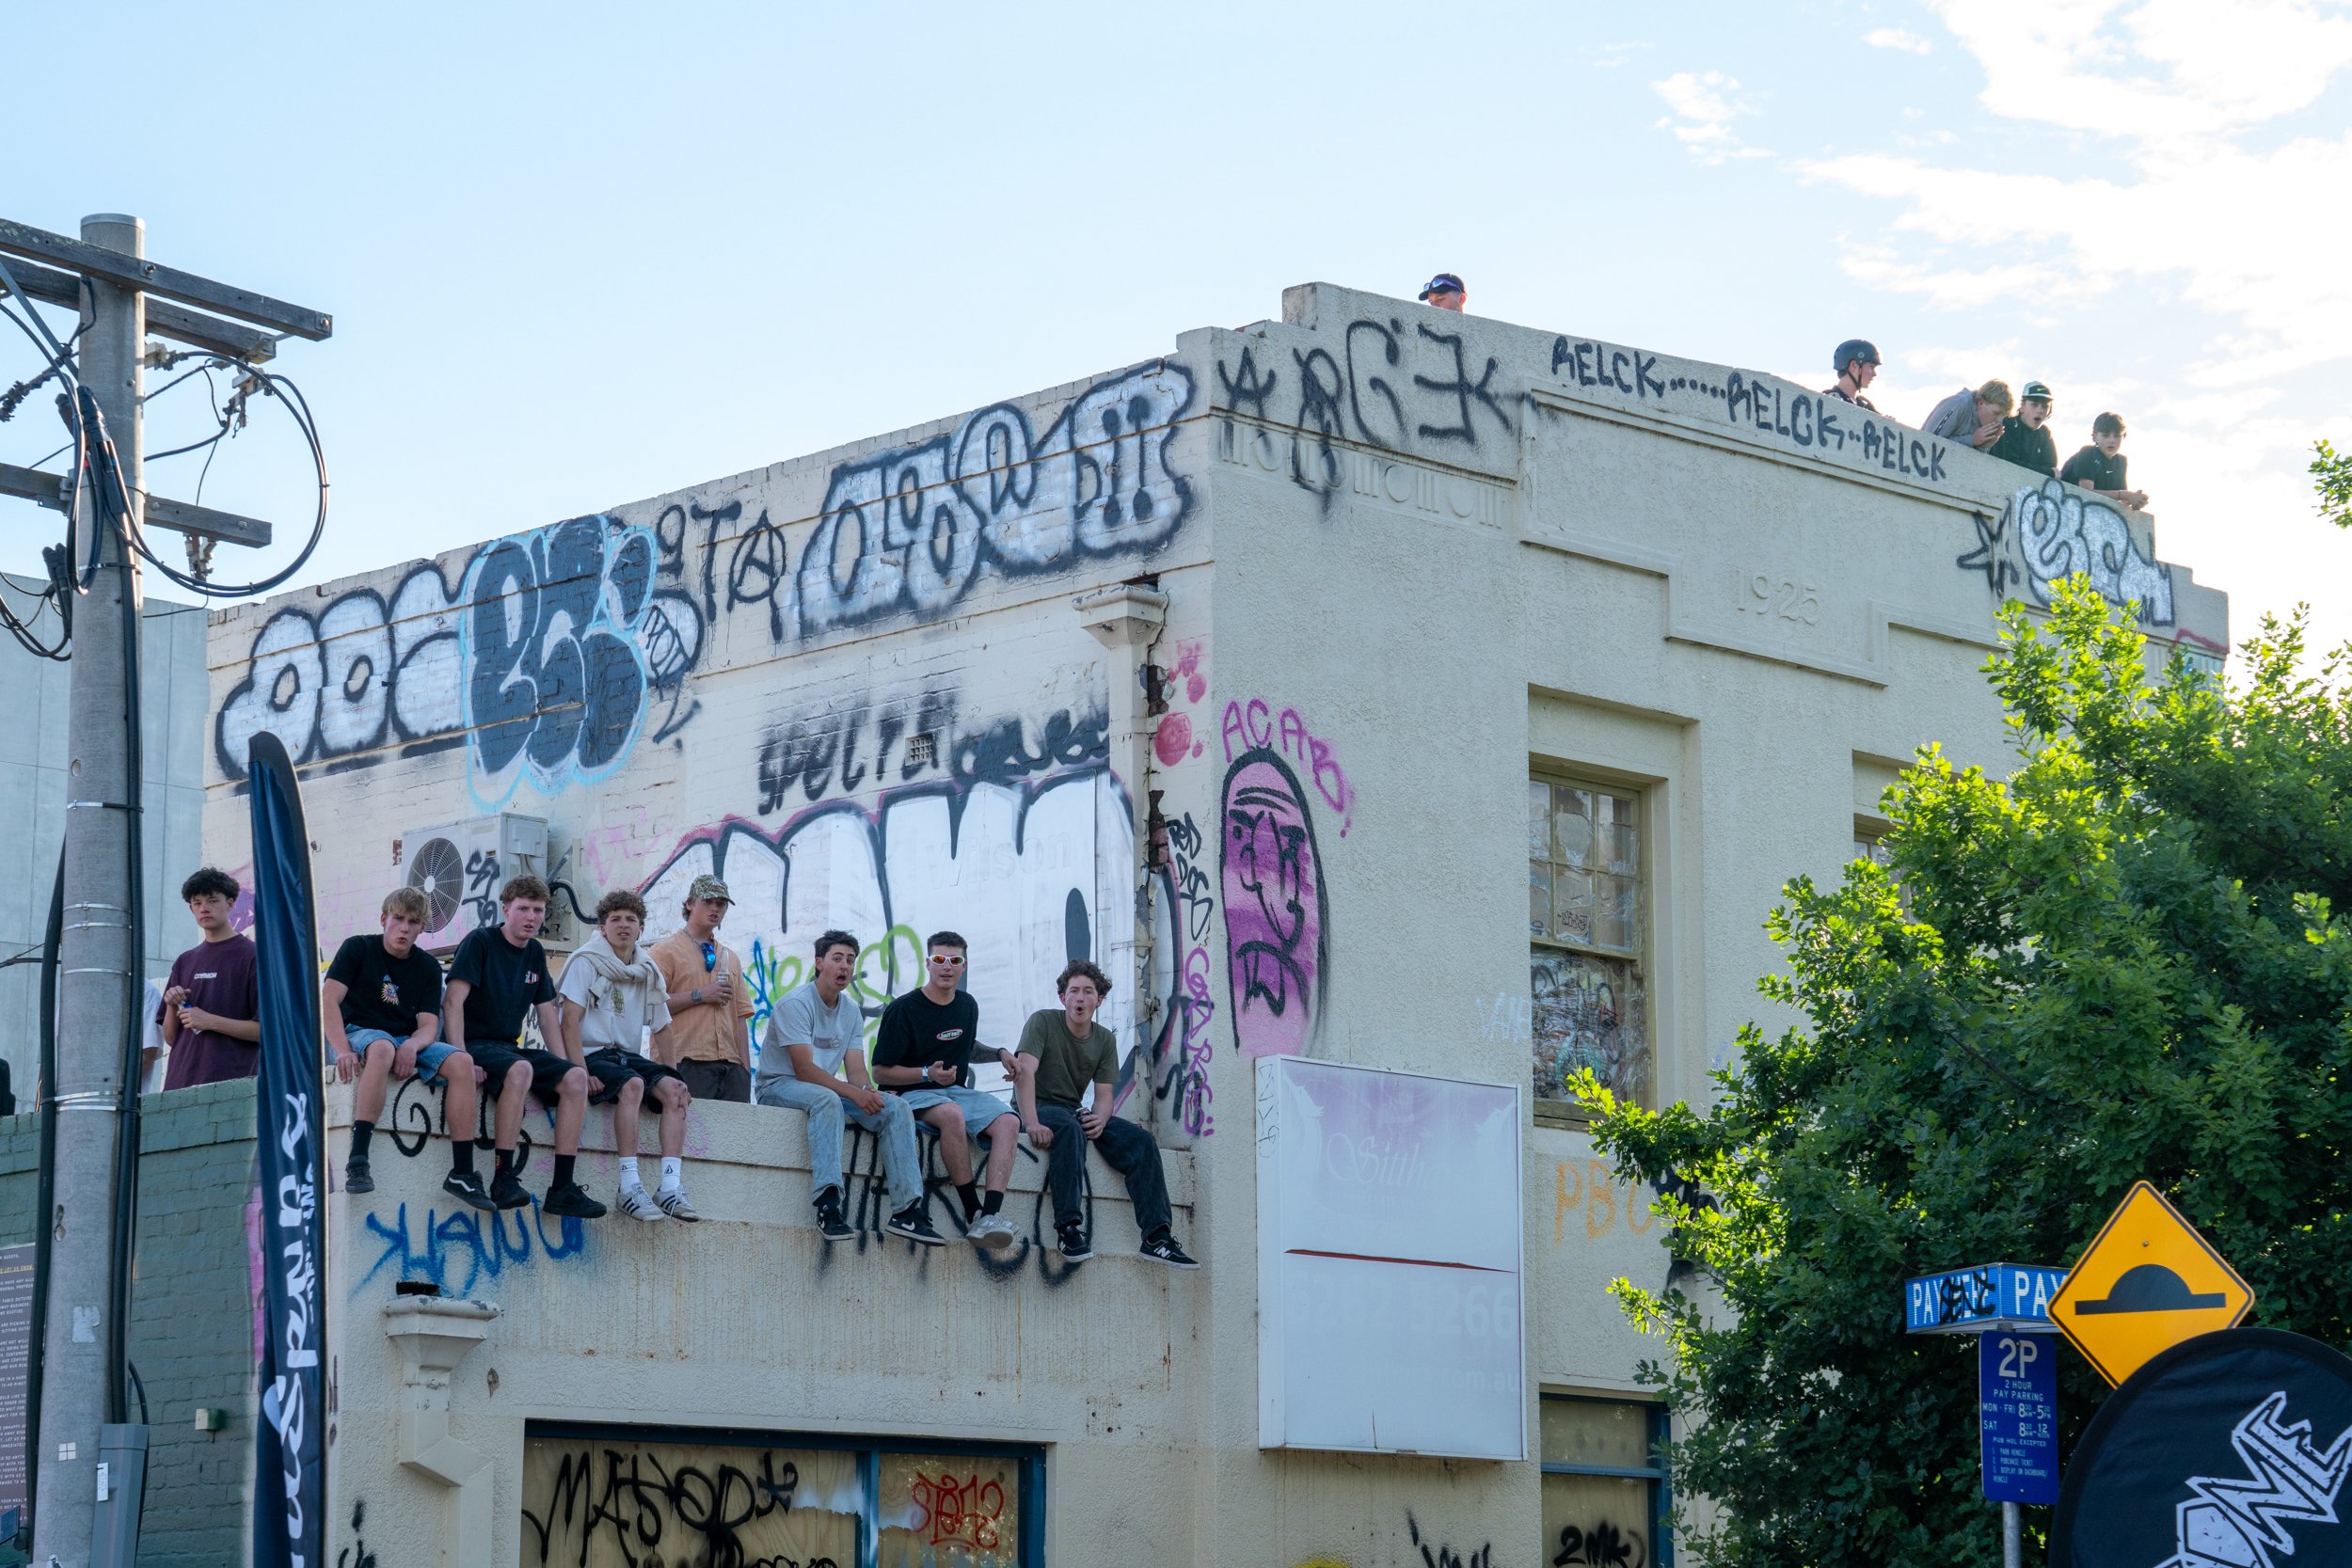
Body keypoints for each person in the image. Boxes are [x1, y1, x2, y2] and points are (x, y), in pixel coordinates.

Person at [755, 929, 940, 1245]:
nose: (845, 966)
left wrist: (867, 1091)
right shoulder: (796, 1004)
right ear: (819, 963)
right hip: (778, 1086)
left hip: (823, 1089)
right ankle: (828, 1205)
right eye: (837, 959)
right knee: (827, 1100)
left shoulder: (851, 1010)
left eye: (851, 961)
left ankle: (907, 1211)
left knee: (896, 1107)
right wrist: (854, 1093)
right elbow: (804, 1070)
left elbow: (856, 1070)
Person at [1014, 959, 1197, 1268]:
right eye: (1074, 991)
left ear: (1099, 999)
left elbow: (1104, 1097)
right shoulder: (1042, 1022)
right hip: (1036, 1105)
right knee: (1070, 1130)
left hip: (1071, 1109)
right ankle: (1068, 1229)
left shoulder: (1104, 1039)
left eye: (1088, 991)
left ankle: (1157, 1238)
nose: (1080, 998)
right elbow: (1024, 1073)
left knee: (1141, 1141)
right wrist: (1031, 1122)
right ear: (1063, 997)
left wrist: (1099, 1119)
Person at [442, 875, 605, 1218]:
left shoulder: (534, 952)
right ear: (506, 910)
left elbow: (547, 1015)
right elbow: (452, 1003)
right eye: (523, 909)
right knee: (520, 1069)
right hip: (474, 1043)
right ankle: (503, 1178)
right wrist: (460, 1056)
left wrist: (565, 1067)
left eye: (538, 910)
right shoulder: (480, 942)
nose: (531, 917)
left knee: (575, 1078)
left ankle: (562, 1188)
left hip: (507, 1047)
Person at [324, 887, 492, 1209]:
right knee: (382, 1048)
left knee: (462, 1062)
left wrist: (413, 1045)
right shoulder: (358, 948)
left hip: (403, 1038)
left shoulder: (427, 966)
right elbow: (329, 1000)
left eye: (413, 922)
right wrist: (342, 1049)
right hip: (357, 1034)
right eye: (398, 919)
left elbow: (428, 1025)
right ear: (383, 919)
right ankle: (357, 1160)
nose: (404, 928)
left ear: (421, 928)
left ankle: (462, 1173)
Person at [872, 932, 1032, 1254]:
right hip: (909, 1092)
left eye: (955, 960)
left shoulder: (967, 1005)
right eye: (940, 960)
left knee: (1009, 1121)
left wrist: (1000, 1053)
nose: (947, 967)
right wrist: (926, 1073)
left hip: (953, 1091)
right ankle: (973, 1211)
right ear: (928, 963)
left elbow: (965, 1046)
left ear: (964, 966)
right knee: (952, 1115)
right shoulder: (903, 1009)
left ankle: (989, 1216)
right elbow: (879, 1072)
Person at [559, 889, 701, 1222]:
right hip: (593, 1053)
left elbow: (663, 1027)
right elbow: (569, 1021)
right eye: (615, 919)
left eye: (631, 919)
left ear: (641, 928)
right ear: (603, 927)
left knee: (677, 1091)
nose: (623, 925)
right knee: (633, 1084)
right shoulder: (585, 960)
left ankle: (670, 1187)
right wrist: (580, 1071)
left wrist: (672, 1075)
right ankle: (629, 1186)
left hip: (625, 1055)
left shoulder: (646, 968)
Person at [649, 875, 755, 1103]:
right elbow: (650, 1007)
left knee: (733, 1127)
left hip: (731, 1066)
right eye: (708, 901)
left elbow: (740, 1016)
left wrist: (744, 1070)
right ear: (689, 903)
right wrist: (700, 995)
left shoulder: (730, 957)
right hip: (685, 1061)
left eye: (721, 903)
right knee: (689, 1125)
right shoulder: (664, 952)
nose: (715, 908)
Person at [158, 867, 260, 1090]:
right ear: (191, 908)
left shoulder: (254, 956)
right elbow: (171, 1039)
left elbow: (267, 1032)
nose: (204, 908)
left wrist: (210, 1021)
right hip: (179, 1085)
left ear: (231, 904)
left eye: (212, 901)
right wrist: (171, 1005)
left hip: (233, 1087)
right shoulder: (185, 961)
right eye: (197, 903)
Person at [2059, 412, 2150, 511]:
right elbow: (2086, 493)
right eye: (2106, 435)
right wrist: (2125, 495)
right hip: (2065, 506)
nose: (2112, 440)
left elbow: (2120, 500)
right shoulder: (2088, 453)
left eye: (2117, 436)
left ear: (2124, 436)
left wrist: (2134, 500)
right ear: (2094, 436)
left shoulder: (2121, 462)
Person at [1990, 380, 2059, 478]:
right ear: (2022, 406)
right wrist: (2048, 472)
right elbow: (2009, 464)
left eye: (2045, 406)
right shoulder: (2008, 425)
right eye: (2034, 404)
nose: (2040, 410)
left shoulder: (2045, 434)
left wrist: (2049, 472)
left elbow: (2052, 470)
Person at [1919, 380, 2013, 450]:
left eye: (2003, 416)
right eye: (1996, 413)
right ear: (1981, 403)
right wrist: (1971, 440)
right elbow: (1929, 441)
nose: (1999, 420)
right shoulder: (1958, 404)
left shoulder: (1985, 422)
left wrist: (1984, 446)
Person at [1824, 341, 1881, 410]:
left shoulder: (1867, 406)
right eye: (1871, 367)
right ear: (1853, 366)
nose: (1875, 374)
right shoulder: (1826, 400)